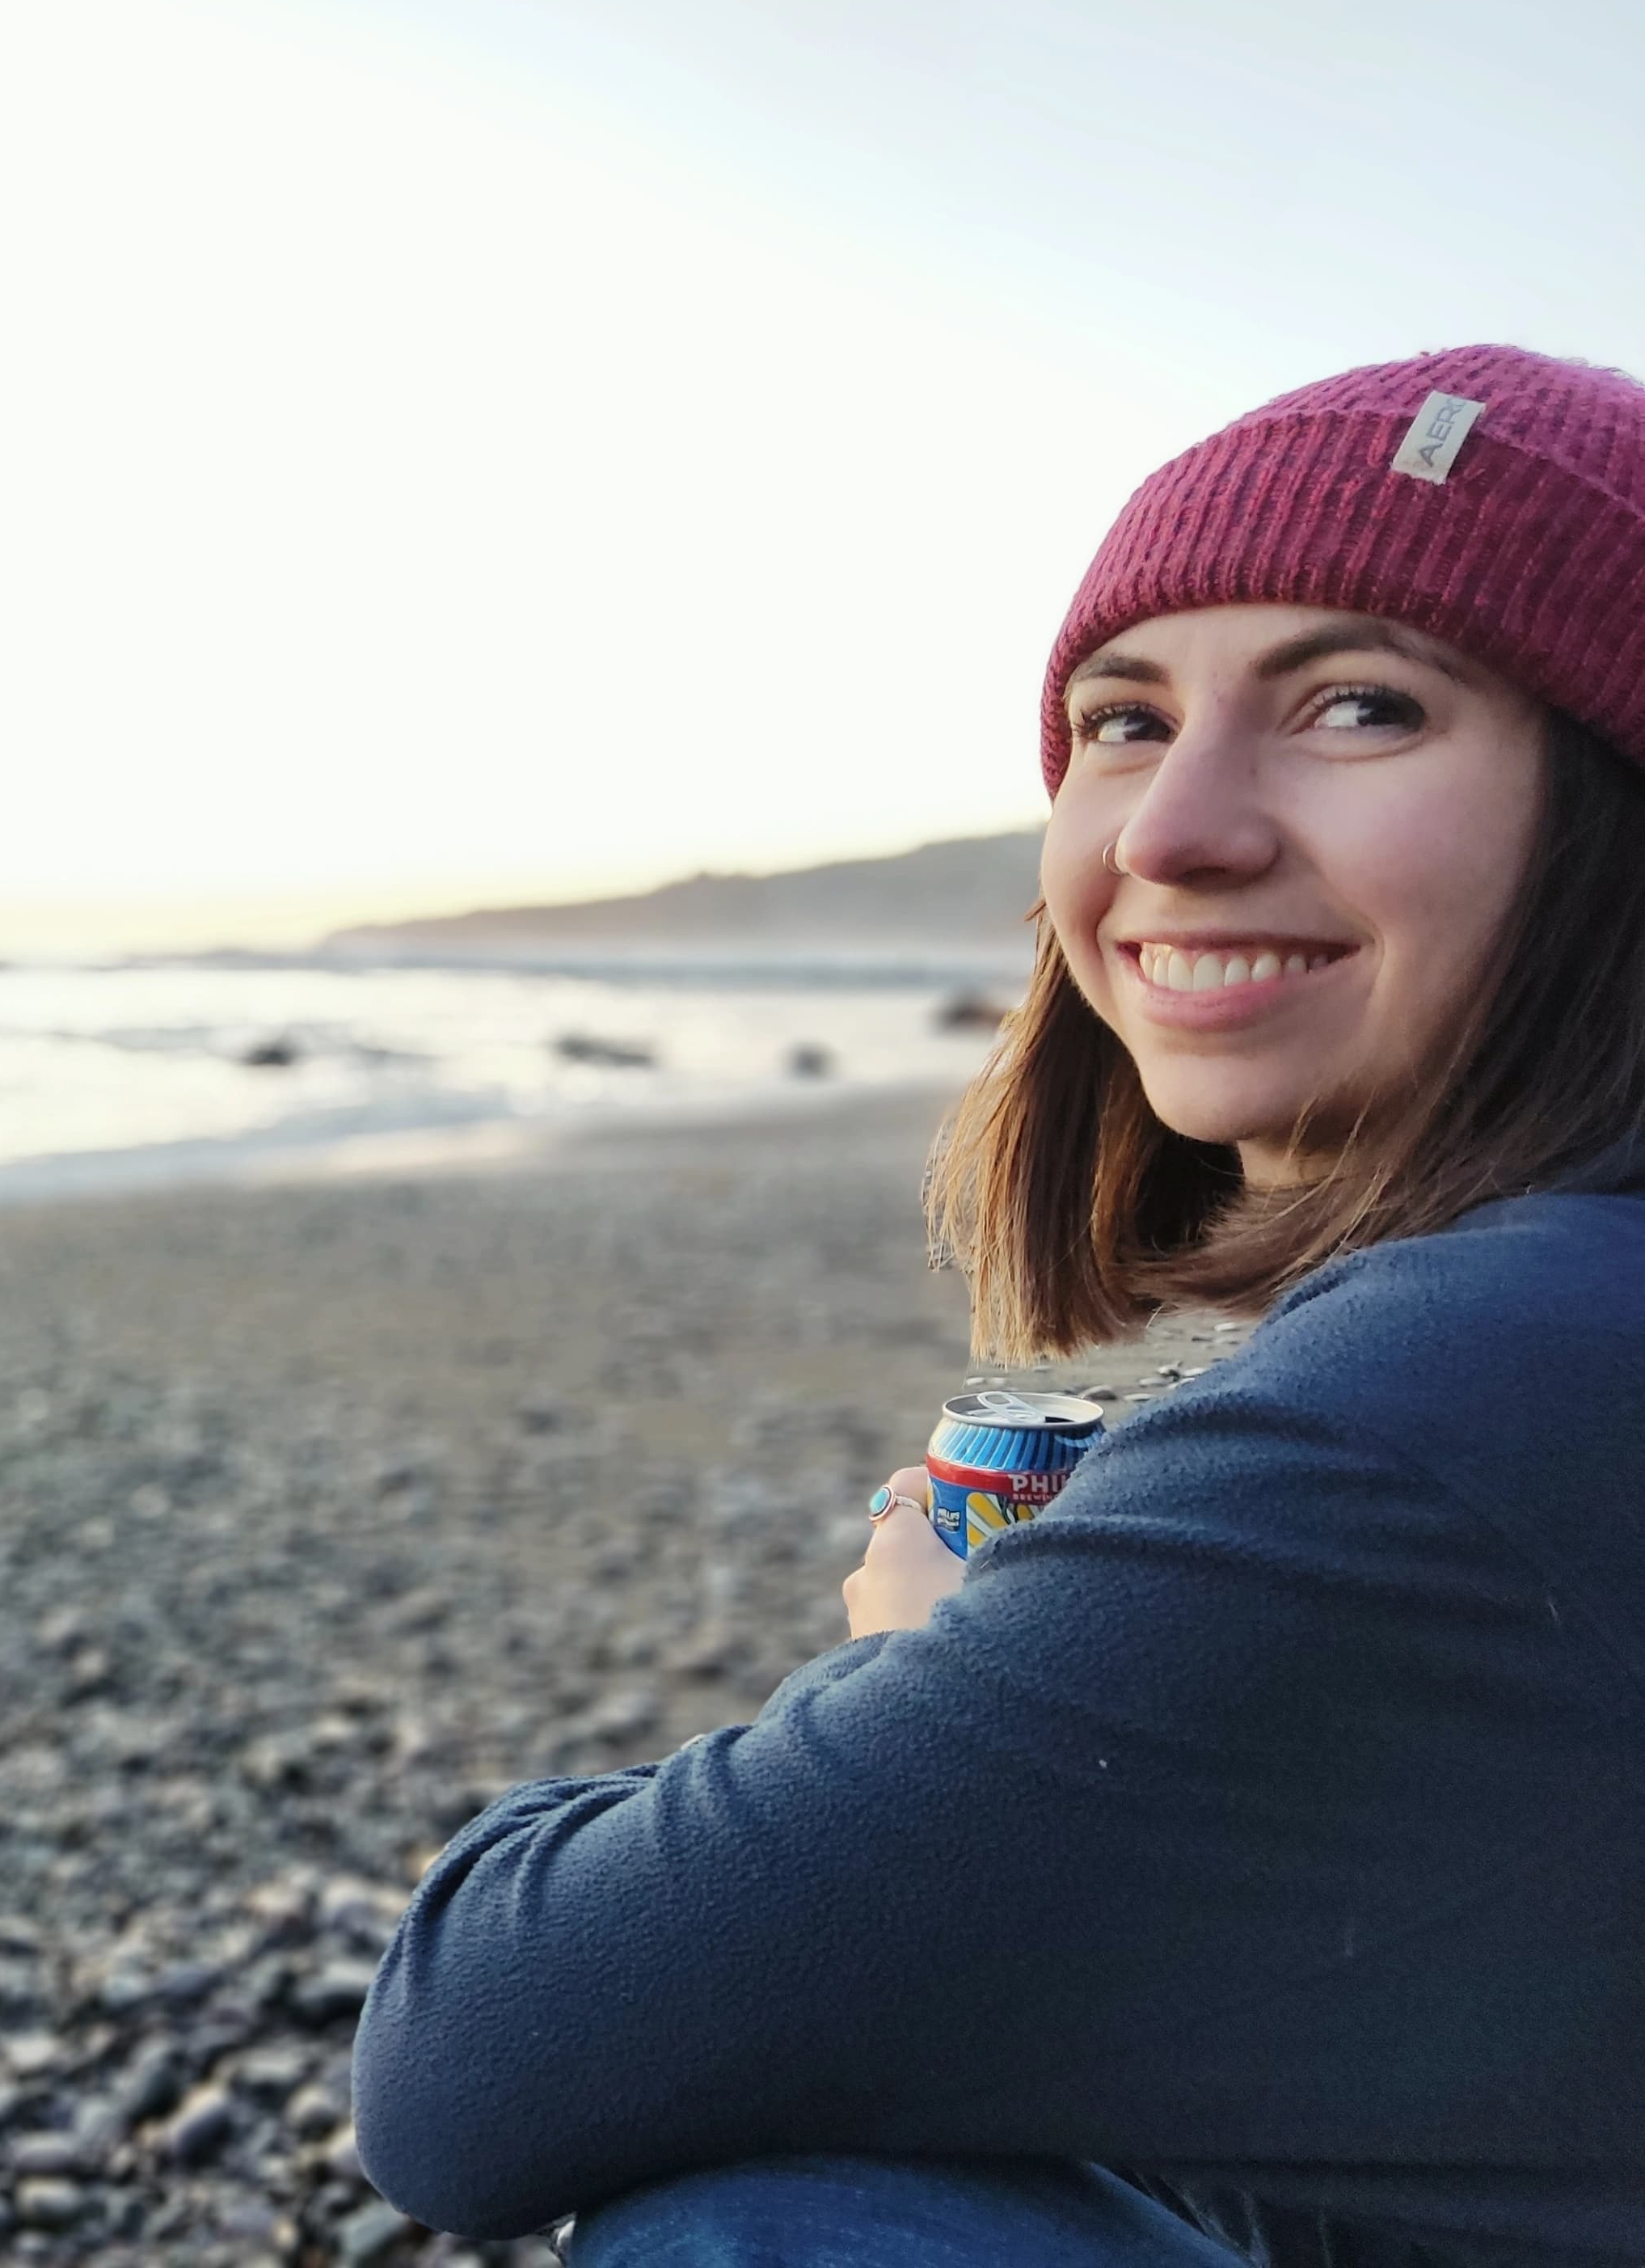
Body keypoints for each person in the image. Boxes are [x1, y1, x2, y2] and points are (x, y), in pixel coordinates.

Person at [348, 344, 1645, 2268]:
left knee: (757, 2220)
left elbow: (472, 2060)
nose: (1169, 833)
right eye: (1123, 722)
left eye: (1363, 706)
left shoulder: (1479, 1370)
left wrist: (911, 1661)